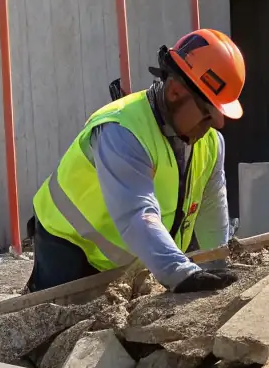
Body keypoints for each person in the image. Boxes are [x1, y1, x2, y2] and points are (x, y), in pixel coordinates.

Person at [30, 29, 246, 294]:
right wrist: (181, 273)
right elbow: (137, 214)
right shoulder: (121, 130)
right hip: (69, 245)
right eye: (208, 113)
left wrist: (217, 267)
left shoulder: (210, 143)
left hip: (129, 252)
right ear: (176, 91)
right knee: (54, 324)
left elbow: (211, 208)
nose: (218, 125)